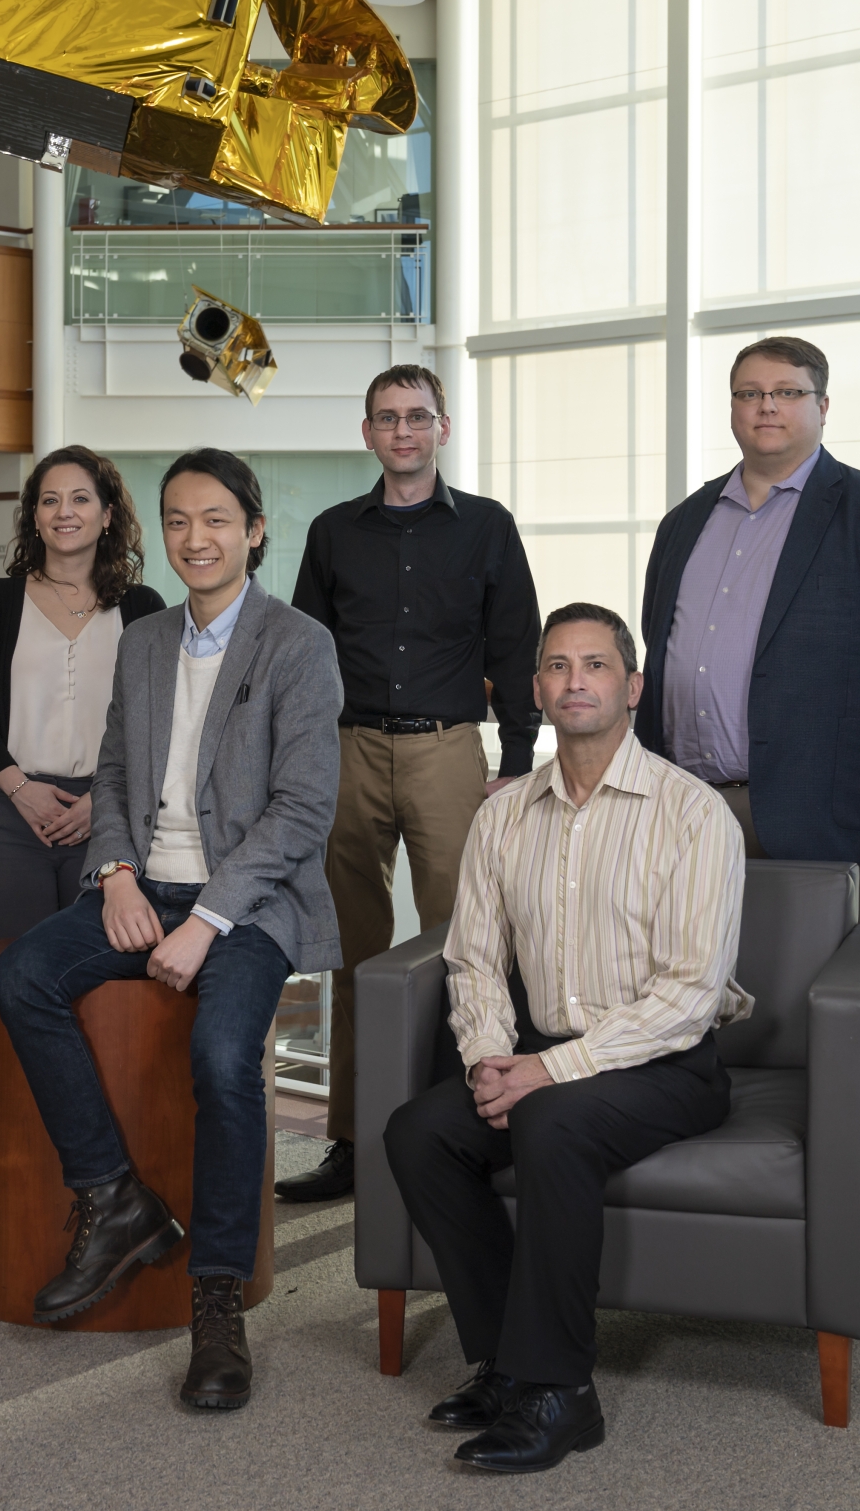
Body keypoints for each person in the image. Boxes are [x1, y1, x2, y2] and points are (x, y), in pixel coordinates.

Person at [0, 449, 341, 1412]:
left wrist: (210, 919)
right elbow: (109, 776)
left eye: (217, 519)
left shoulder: (299, 644)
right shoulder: (144, 639)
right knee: (22, 975)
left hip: (249, 903)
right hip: (144, 884)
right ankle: (117, 1197)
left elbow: (303, 811)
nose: (197, 538)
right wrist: (111, 874)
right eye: (179, 520)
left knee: (225, 1059)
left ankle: (216, 1298)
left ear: (255, 531)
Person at [384, 603, 748, 1474]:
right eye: (556, 665)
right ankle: (506, 1363)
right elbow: (472, 959)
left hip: (666, 1063)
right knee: (420, 1131)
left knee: (553, 1120)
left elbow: (690, 996)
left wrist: (545, 1072)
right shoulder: (505, 816)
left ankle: (560, 1392)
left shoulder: (692, 814)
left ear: (632, 686)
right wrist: (486, 1062)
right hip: (541, 1052)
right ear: (536, 689)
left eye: (594, 664)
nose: (574, 679)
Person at [282, 362, 540, 1203]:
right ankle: (353, 1143)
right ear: (367, 433)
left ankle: (455, 1134)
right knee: (352, 955)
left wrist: (516, 761)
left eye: (418, 416)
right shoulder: (331, 532)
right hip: (348, 751)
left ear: (444, 427)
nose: (403, 430)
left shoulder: (489, 529)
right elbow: (305, 656)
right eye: (387, 418)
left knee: (463, 952)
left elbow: (516, 647)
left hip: (446, 752)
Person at [636, 335, 860, 926]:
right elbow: (658, 640)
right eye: (749, 393)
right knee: (692, 997)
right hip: (687, 807)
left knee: (833, 1001)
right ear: (732, 408)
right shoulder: (683, 522)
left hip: (830, 806)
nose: (765, 406)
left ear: (822, 407)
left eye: (786, 392)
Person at [0, 446, 164, 944]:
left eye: (80, 498)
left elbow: (161, 719)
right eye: (50, 500)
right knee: (18, 972)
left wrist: (104, 803)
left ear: (107, 515)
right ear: (35, 519)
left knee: (103, 979)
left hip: (111, 819)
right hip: (9, 819)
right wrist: (21, 790)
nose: (64, 511)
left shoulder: (144, 609)